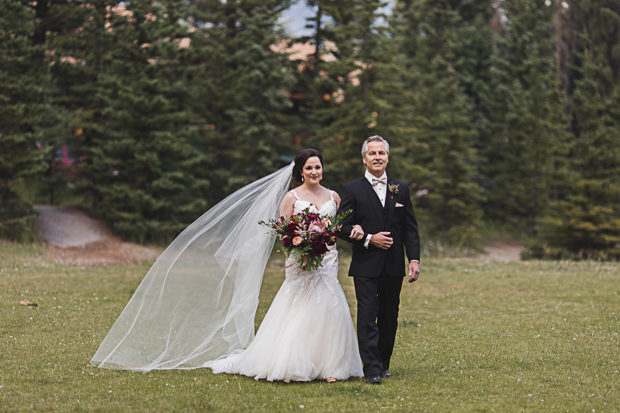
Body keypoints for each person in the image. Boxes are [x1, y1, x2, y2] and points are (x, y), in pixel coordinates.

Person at [205, 149, 363, 382]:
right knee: (299, 307)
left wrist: (344, 232)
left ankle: (331, 367)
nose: (314, 172)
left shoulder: (334, 197)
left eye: (317, 167)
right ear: (300, 171)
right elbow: (284, 233)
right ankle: (294, 363)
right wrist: (303, 247)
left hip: (328, 260)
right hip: (301, 260)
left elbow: (340, 227)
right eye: (308, 168)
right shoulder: (292, 197)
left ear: (322, 169)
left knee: (329, 307)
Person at [337, 135, 421, 384]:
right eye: (372, 153)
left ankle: (383, 363)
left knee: (389, 316)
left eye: (381, 153)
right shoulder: (352, 189)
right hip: (365, 264)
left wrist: (414, 259)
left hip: (394, 265)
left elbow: (410, 228)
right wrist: (368, 238)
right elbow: (340, 226)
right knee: (367, 316)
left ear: (387, 157)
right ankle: (371, 368)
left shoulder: (401, 188)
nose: (377, 157)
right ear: (364, 158)